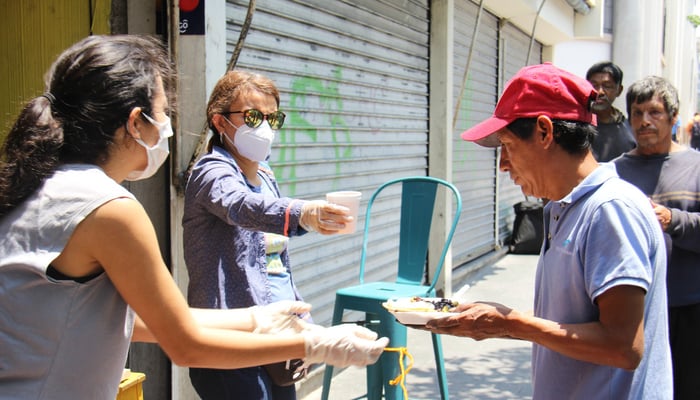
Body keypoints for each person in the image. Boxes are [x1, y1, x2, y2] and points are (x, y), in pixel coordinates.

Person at [0, 35, 388, 400]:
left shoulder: (39, 184)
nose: (168, 127)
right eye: (164, 113)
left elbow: (130, 322)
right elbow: (184, 344)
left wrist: (254, 319)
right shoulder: (108, 208)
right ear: (137, 122)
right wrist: (318, 343)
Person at [426, 63, 672, 399]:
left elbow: (623, 348)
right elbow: (569, 325)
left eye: (507, 145)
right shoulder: (562, 207)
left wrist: (512, 324)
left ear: (544, 132)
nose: (503, 165)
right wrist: (500, 324)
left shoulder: (610, 210)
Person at [182, 70, 355, 399]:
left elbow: (273, 261)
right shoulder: (211, 171)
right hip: (232, 334)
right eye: (251, 116)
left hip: (276, 331)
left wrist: (298, 315)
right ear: (220, 122)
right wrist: (302, 212)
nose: (263, 126)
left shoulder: (265, 173)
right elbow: (241, 206)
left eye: (271, 118)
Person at [614, 76, 700, 399]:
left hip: (687, 309)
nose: (644, 121)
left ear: (674, 117)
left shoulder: (695, 167)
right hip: (632, 312)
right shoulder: (615, 173)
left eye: (654, 112)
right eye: (637, 113)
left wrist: (671, 219)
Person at [585, 61, 636, 161]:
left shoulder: (631, 130)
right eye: (594, 85)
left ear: (619, 90)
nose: (600, 92)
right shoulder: (577, 127)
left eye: (607, 86)